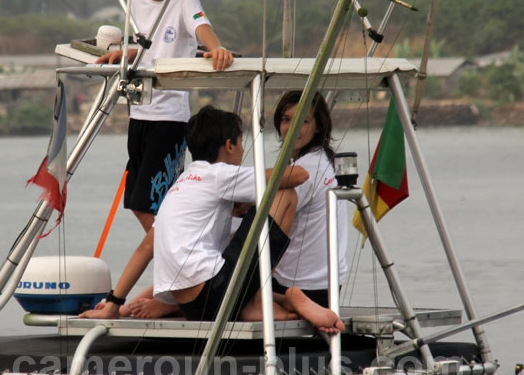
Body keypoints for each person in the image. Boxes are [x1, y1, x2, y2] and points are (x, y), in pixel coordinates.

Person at [85, 105, 343, 333]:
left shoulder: (183, 184)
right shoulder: (220, 175)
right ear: (229, 145)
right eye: (241, 143)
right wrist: (250, 200)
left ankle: (277, 300)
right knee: (284, 194)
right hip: (215, 294)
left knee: (214, 251)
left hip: (194, 306)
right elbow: (298, 176)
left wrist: (114, 303)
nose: (243, 150)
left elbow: (145, 248)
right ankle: (260, 300)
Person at [96, 0, 233, 233]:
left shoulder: (185, 1)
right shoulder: (135, 1)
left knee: (151, 202)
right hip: (139, 112)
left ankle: (178, 254)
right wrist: (125, 54)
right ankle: (174, 254)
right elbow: (151, 46)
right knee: (134, 201)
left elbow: (202, 29)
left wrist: (216, 48)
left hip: (169, 119)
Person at [270, 92, 348, 325]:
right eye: (286, 120)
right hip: (328, 285)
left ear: (317, 127)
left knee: (223, 291)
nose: (292, 128)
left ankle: (286, 301)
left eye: (302, 121)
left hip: (301, 286)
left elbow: (266, 217)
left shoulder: (307, 169)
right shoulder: (323, 160)